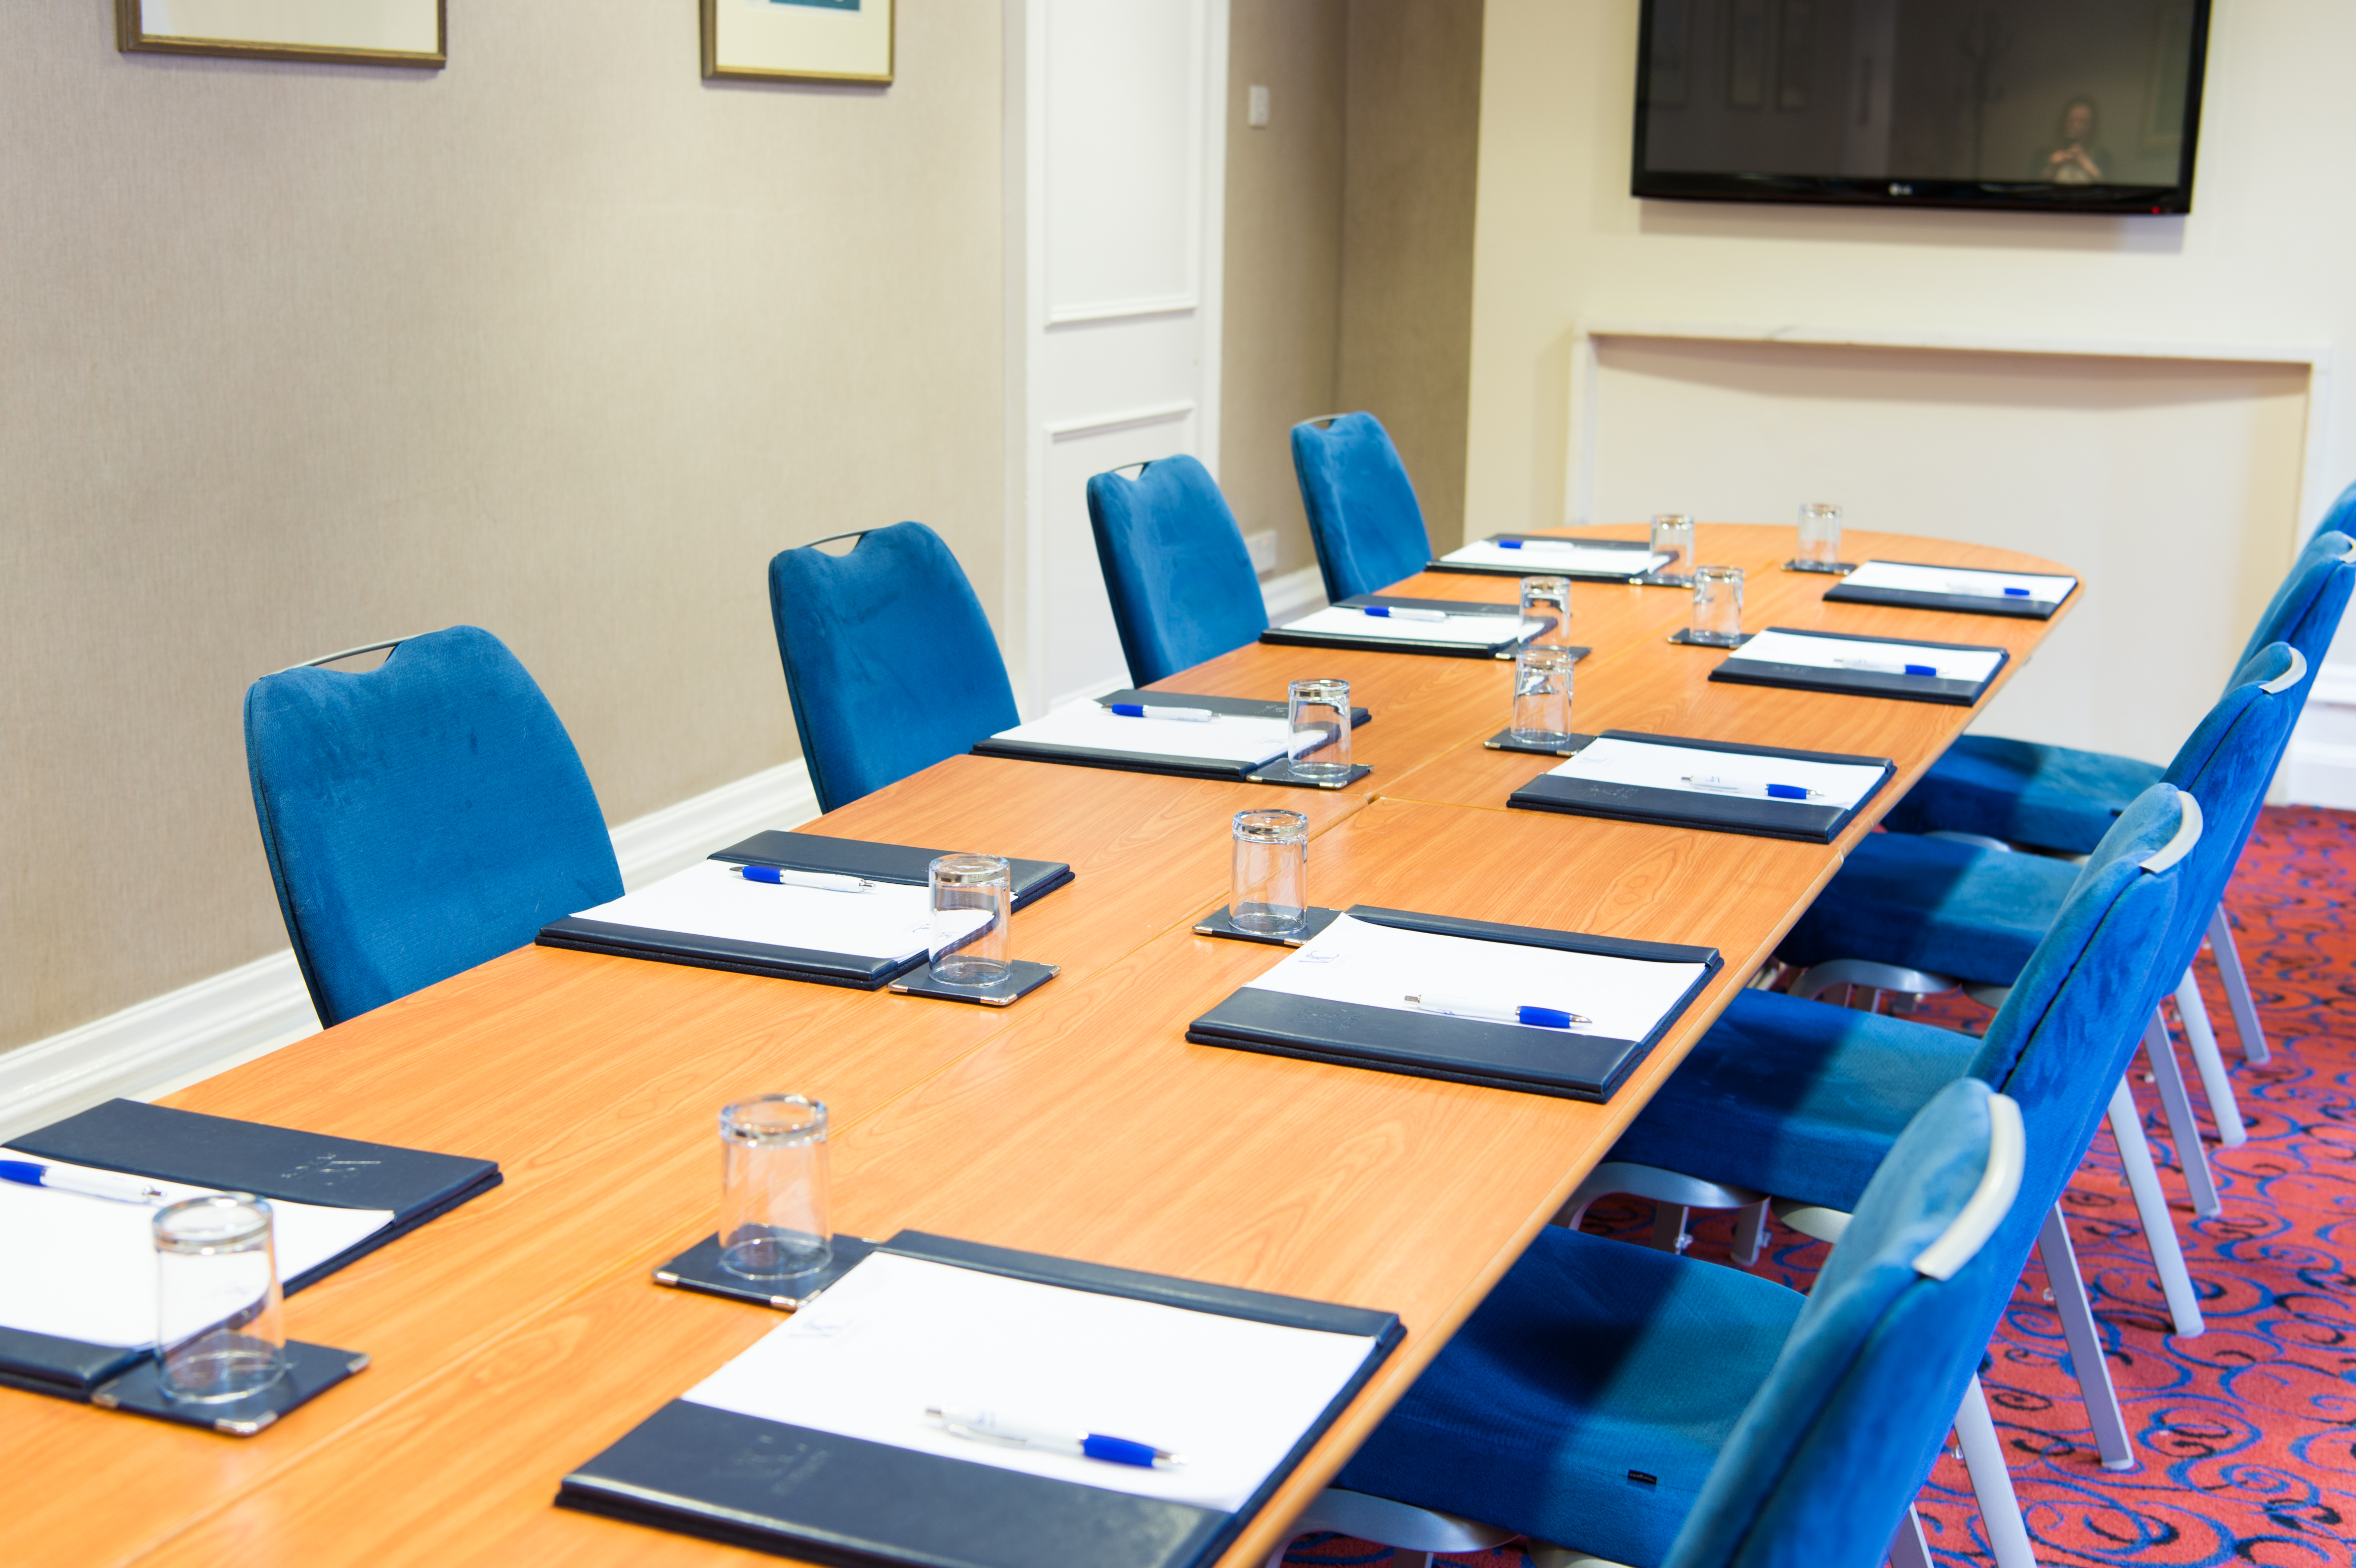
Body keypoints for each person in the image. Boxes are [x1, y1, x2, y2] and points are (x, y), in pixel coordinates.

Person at [2040, 97, 2108, 184]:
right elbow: (2034, 188)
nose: (2077, 127)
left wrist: (2085, 163)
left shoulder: (2102, 157)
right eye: (2072, 121)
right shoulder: (2044, 154)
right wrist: (2053, 167)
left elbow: (2108, 188)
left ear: (2092, 126)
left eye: (2084, 122)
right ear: (2064, 122)